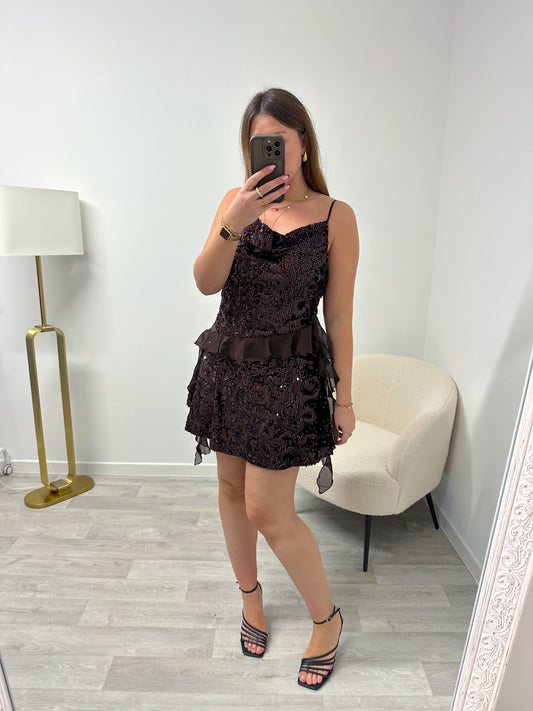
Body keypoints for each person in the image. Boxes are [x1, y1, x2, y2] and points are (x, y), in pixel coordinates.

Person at [185, 87, 359, 690]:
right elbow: (206, 282)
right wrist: (232, 224)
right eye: (260, 144)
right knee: (231, 491)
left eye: (279, 142)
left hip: (288, 380)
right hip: (228, 369)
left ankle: (327, 620)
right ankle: (250, 598)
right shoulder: (234, 205)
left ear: (303, 143)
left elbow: (340, 318)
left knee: (268, 509)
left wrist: (344, 396)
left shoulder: (336, 217)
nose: (270, 153)